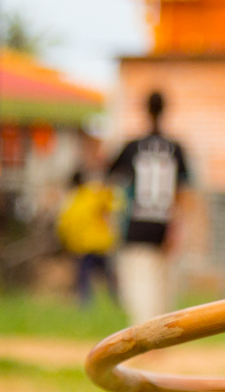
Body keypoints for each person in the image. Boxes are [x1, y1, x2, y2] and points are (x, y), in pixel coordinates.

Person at [106, 91, 190, 325]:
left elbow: (109, 177)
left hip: (136, 223)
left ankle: (146, 335)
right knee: (163, 284)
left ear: (144, 110)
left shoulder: (132, 146)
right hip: (164, 222)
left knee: (140, 284)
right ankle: (161, 335)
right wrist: (177, 227)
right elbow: (182, 192)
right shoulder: (175, 148)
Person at [57, 168, 120, 307]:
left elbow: (64, 224)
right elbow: (111, 204)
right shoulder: (93, 195)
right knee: (109, 278)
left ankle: (86, 304)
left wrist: (69, 242)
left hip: (84, 247)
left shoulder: (72, 201)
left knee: (84, 279)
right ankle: (117, 302)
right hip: (100, 244)